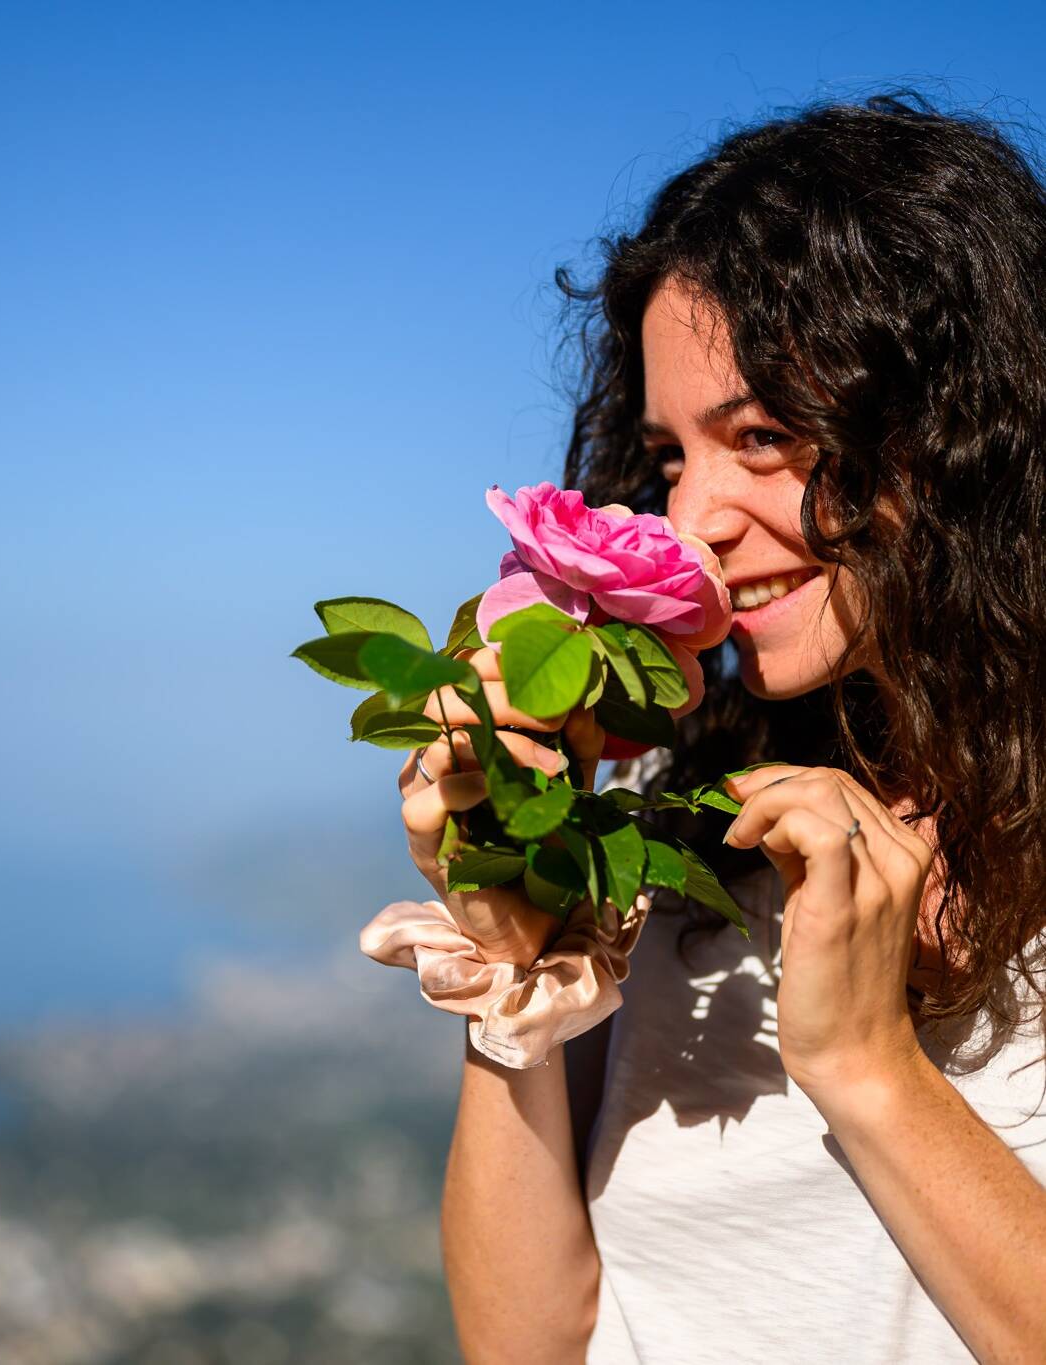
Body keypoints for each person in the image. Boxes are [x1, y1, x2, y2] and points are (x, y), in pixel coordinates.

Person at [395, 92, 1046, 1363]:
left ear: (963, 433)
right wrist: (519, 962)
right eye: (671, 454)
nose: (694, 519)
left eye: (763, 437)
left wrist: (868, 1068)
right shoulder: (681, 819)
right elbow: (525, 1344)